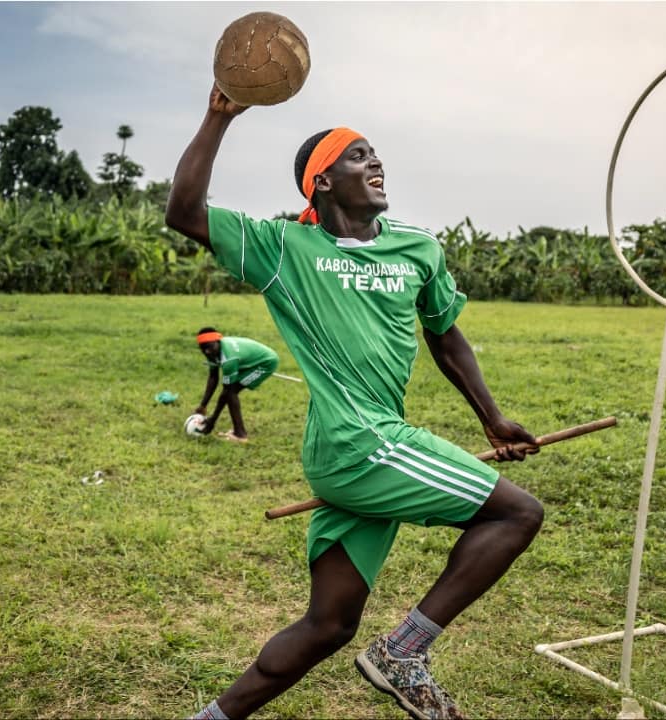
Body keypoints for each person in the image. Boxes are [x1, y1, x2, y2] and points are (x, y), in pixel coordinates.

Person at [166, 86, 543, 720]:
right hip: (358, 444)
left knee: (329, 624)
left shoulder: (416, 248)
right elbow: (184, 212)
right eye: (356, 157)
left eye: (376, 154)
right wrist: (218, 114)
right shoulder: (284, 247)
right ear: (321, 184)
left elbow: (445, 336)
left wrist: (493, 417)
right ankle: (403, 654)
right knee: (516, 515)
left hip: (370, 447)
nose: (375, 164)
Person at [194, 328, 280, 442]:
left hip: (266, 362)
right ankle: (238, 432)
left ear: (218, 342)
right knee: (230, 392)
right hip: (245, 360)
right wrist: (203, 406)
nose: (207, 352)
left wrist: (212, 421)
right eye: (203, 348)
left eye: (209, 347)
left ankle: (240, 434)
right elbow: (213, 377)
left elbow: (227, 392)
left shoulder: (228, 359)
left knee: (231, 392)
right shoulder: (212, 351)